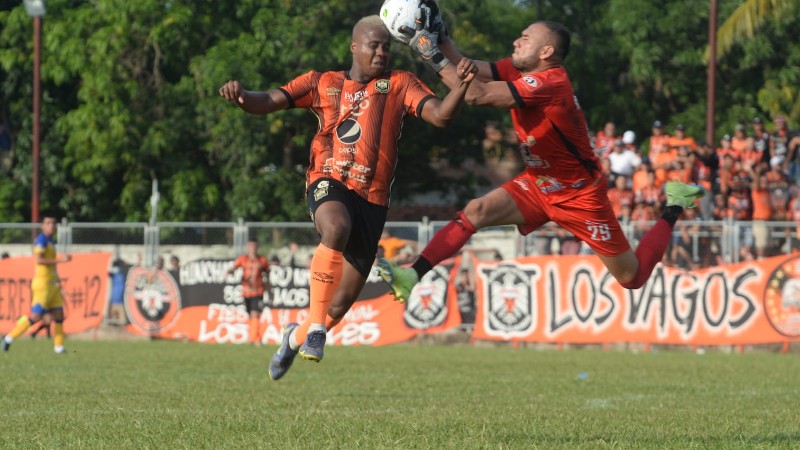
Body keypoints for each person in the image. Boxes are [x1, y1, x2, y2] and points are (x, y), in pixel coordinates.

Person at [377, 4, 704, 302]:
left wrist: (427, 51)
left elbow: (474, 94)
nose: (517, 42)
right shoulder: (517, 69)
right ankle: (411, 275)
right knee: (476, 211)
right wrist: (441, 35)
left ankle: (674, 204)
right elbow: (467, 69)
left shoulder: (551, 82)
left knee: (632, 277)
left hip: (579, 195)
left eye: (525, 38)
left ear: (546, 51)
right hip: (539, 183)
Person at [219, 15, 476, 380]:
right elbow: (268, 101)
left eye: (387, 46)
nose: (382, 52)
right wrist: (243, 97)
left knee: (336, 306)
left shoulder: (400, 84)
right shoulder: (322, 82)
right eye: (374, 45)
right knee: (336, 227)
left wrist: (461, 87)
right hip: (329, 182)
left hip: (373, 201)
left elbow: (440, 117)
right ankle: (316, 332)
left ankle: (294, 338)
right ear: (354, 46)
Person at [2, 213, 71, 354]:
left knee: (59, 314)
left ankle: (59, 347)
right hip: (43, 284)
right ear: (43, 226)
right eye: (48, 223)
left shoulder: (50, 241)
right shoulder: (41, 240)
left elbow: (51, 266)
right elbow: (39, 260)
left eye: (53, 223)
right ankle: (9, 338)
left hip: (52, 284)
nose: (51, 225)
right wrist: (60, 260)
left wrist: (58, 280)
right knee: (36, 316)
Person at [224, 239, 271, 345]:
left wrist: (269, 290)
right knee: (250, 314)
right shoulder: (242, 259)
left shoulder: (262, 260)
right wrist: (229, 272)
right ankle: (254, 336)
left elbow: (267, 275)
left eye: (254, 247)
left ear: (257, 248)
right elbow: (234, 267)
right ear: (247, 248)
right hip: (245, 292)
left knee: (255, 313)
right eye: (250, 246)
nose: (252, 249)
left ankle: (254, 338)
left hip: (258, 291)